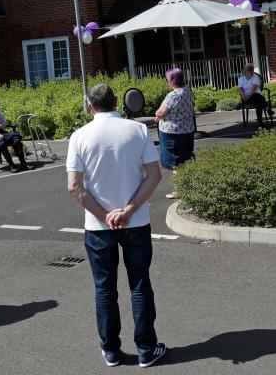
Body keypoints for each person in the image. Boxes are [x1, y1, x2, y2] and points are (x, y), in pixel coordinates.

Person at [66, 84, 167, 368]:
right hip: (135, 221)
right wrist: (128, 211)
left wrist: (105, 215)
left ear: (90, 107)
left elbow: (74, 186)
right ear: (115, 102)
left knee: (105, 288)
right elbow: (154, 175)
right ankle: (147, 348)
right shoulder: (137, 131)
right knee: (139, 283)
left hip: (98, 226)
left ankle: (111, 350)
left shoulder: (79, 136)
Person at [154, 68, 195, 200]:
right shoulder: (188, 91)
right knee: (185, 159)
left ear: (172, 81)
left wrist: (157, 115)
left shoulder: (173, 95)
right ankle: (187, 187)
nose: (167, 82)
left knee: (175, 161)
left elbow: (161, 112)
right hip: (187, 130)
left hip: (173, 132)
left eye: (168, 80)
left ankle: (179, 190)